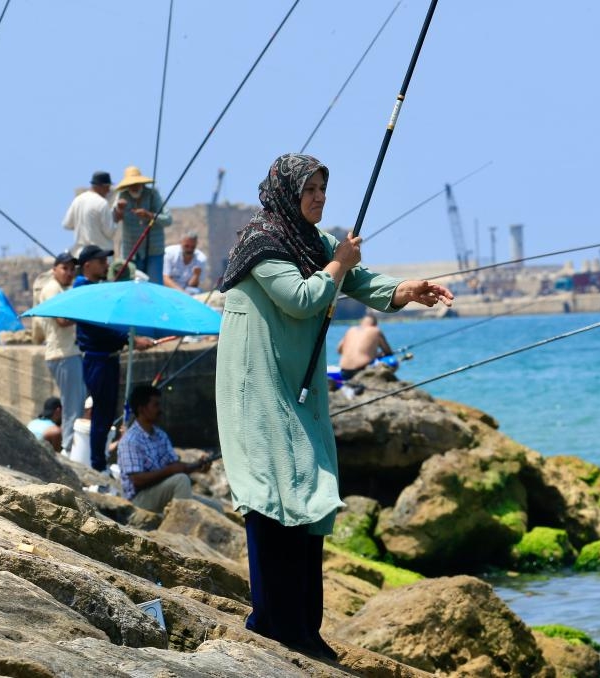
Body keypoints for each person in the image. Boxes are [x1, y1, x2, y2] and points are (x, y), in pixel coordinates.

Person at [215, 153, 452, 660]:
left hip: (297, 386)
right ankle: (272, 621)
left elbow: (358, 281)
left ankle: (305, 625)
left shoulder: (310, 240)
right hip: (259, 387)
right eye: (310, 191)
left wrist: (404, 290)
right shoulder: (263, 244)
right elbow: (302, 297)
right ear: (286, 192)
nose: (319, 199)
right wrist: (340, 262)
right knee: (271, 497)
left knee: (309, 494)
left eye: (323, 190)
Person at [73, 244, 154, 472]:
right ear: (87, 265)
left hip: (107, 359)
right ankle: (97, 465)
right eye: (101, 262)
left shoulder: (94, 288)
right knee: (101, 412)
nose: (106, 265)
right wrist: (131, 340)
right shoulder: (83, 289)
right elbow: (97, 327)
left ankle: (98, 461)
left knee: (106, 413)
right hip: (97, 360)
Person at [117, 384, 215, 513]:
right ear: (141, 409)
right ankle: (181, 527)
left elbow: (175, 465)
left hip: (161, 491)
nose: (160, 409)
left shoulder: (160, 435)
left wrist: (198, 466)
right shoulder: (130, 441)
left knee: (215, 508)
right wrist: (168, 471)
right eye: (155, 405)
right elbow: (137, 481)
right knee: (181, 480)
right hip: (138, 501)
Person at [37, 251, 85, 455]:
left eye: (72, 269)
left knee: (77, 401)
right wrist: (86, 315)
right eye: (65, 268)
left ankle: (71, 446)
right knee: (72, 404)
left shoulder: (63, 290)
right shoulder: (52, 289)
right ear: (54, 269)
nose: (69, 273)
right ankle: (68, 448)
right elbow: (62, 321)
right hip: (62, 354)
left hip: (68, 352)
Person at [111, 166, 172, 283]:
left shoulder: (153, 195)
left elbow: (168, 219)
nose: (133, 187)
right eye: (131, 185)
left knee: (154, 285)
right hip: (131, 251)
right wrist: (119, 210)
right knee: (131, 284)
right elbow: (113, 220)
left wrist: (148, 215)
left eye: (136, 184)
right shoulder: (122, 196)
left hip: (153, 250)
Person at [62, 171, 115, 256]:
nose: (108, 191)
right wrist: (116, 220)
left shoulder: (78, 200)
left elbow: (67, 224)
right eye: (107, 187)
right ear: (101, 186)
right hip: (101, 255)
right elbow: (110, 232)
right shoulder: (102, 203)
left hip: (81, 254)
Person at [337, 315, 394, 380]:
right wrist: (377, 355)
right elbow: (388, 352)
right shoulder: (375, 330)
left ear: (362, 323)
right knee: (393, 364)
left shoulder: (351, 330)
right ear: (375, 324)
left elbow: (339, 350)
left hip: (344, 371)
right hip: (361, 371)